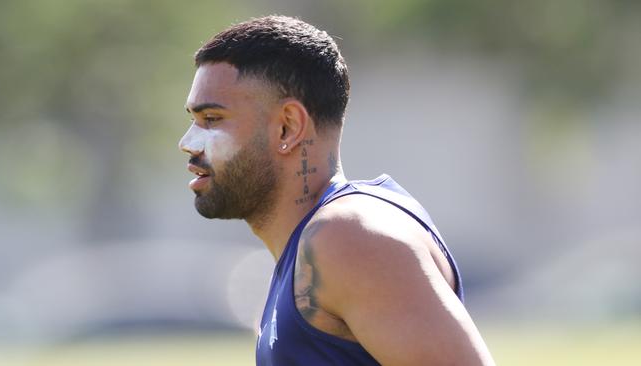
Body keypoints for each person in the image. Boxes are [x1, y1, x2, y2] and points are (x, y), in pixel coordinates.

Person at [179, 15, 495, 366]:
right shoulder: (308, 251)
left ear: (288, 127)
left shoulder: (347, 239)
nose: (187, 143)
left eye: (211, 119)